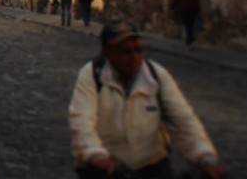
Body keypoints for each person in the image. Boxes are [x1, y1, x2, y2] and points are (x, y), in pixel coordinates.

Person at [68, 21, 225, 179]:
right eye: (126, 52)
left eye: (138, 50)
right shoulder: (92, 75)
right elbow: (81, 120)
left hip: (152, 164)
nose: (134, 57)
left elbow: (183, 119)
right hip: (109, 165)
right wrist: (95, 154)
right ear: (107, 53)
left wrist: (205, 158)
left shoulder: (155, 75)